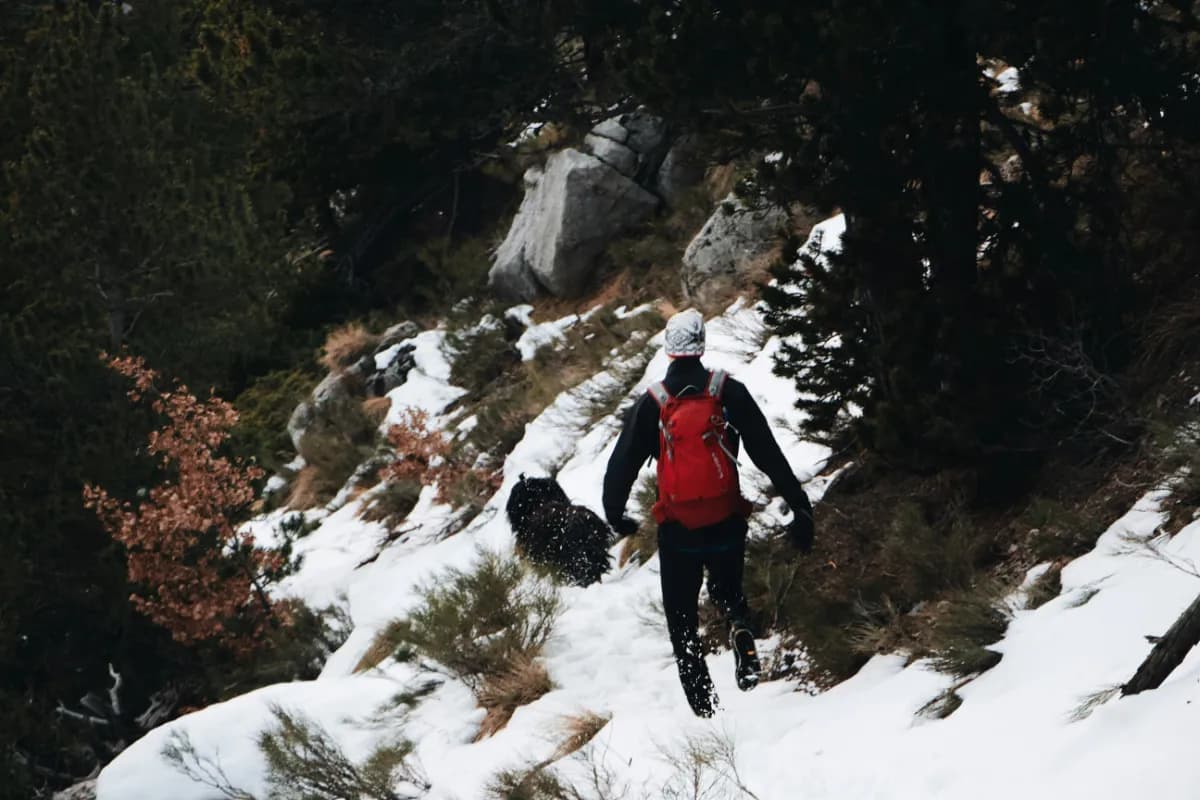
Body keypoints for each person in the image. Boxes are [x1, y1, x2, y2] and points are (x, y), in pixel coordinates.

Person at [602, 309, 815, 717]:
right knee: (727, 590)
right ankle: (739, 624)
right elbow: (767, 453)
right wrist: (799, 506)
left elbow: (621, 465)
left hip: (677, 529)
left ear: (669, 349)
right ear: (701, 345)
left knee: (681, 619)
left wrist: (616, 514)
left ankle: (705, 711)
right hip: (726, 519)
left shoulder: (653, 403)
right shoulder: (727, 392)